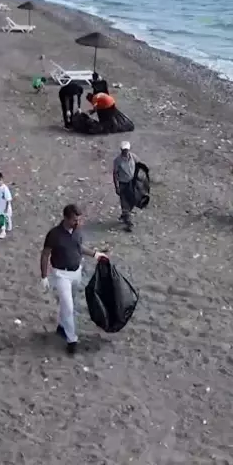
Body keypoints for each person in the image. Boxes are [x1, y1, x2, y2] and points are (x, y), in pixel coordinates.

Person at [40, 204, 109, 354]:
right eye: (74, 220)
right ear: (65, 218)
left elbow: (79, 247)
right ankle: (72, 340)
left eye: (78, 220)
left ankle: (61, 326)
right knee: (69, 307)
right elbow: (45, 254)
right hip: (61, 274)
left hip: (76, 273)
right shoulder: (54, 234)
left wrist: (96, 254)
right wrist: (44, 276)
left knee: (69, 302)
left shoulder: (77, 231)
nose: (77, 223)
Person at [112, 141, 137, 232]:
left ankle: (125, 214)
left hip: (131, 182)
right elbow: (114, 174)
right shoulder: (117, 161)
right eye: (123, 150)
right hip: (123, 183)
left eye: (126, 150)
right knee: (124, 202)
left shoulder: (133, 157)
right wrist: (117, 187)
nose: (125, 152)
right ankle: (129, 222)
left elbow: (138, 165)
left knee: (132, 200)